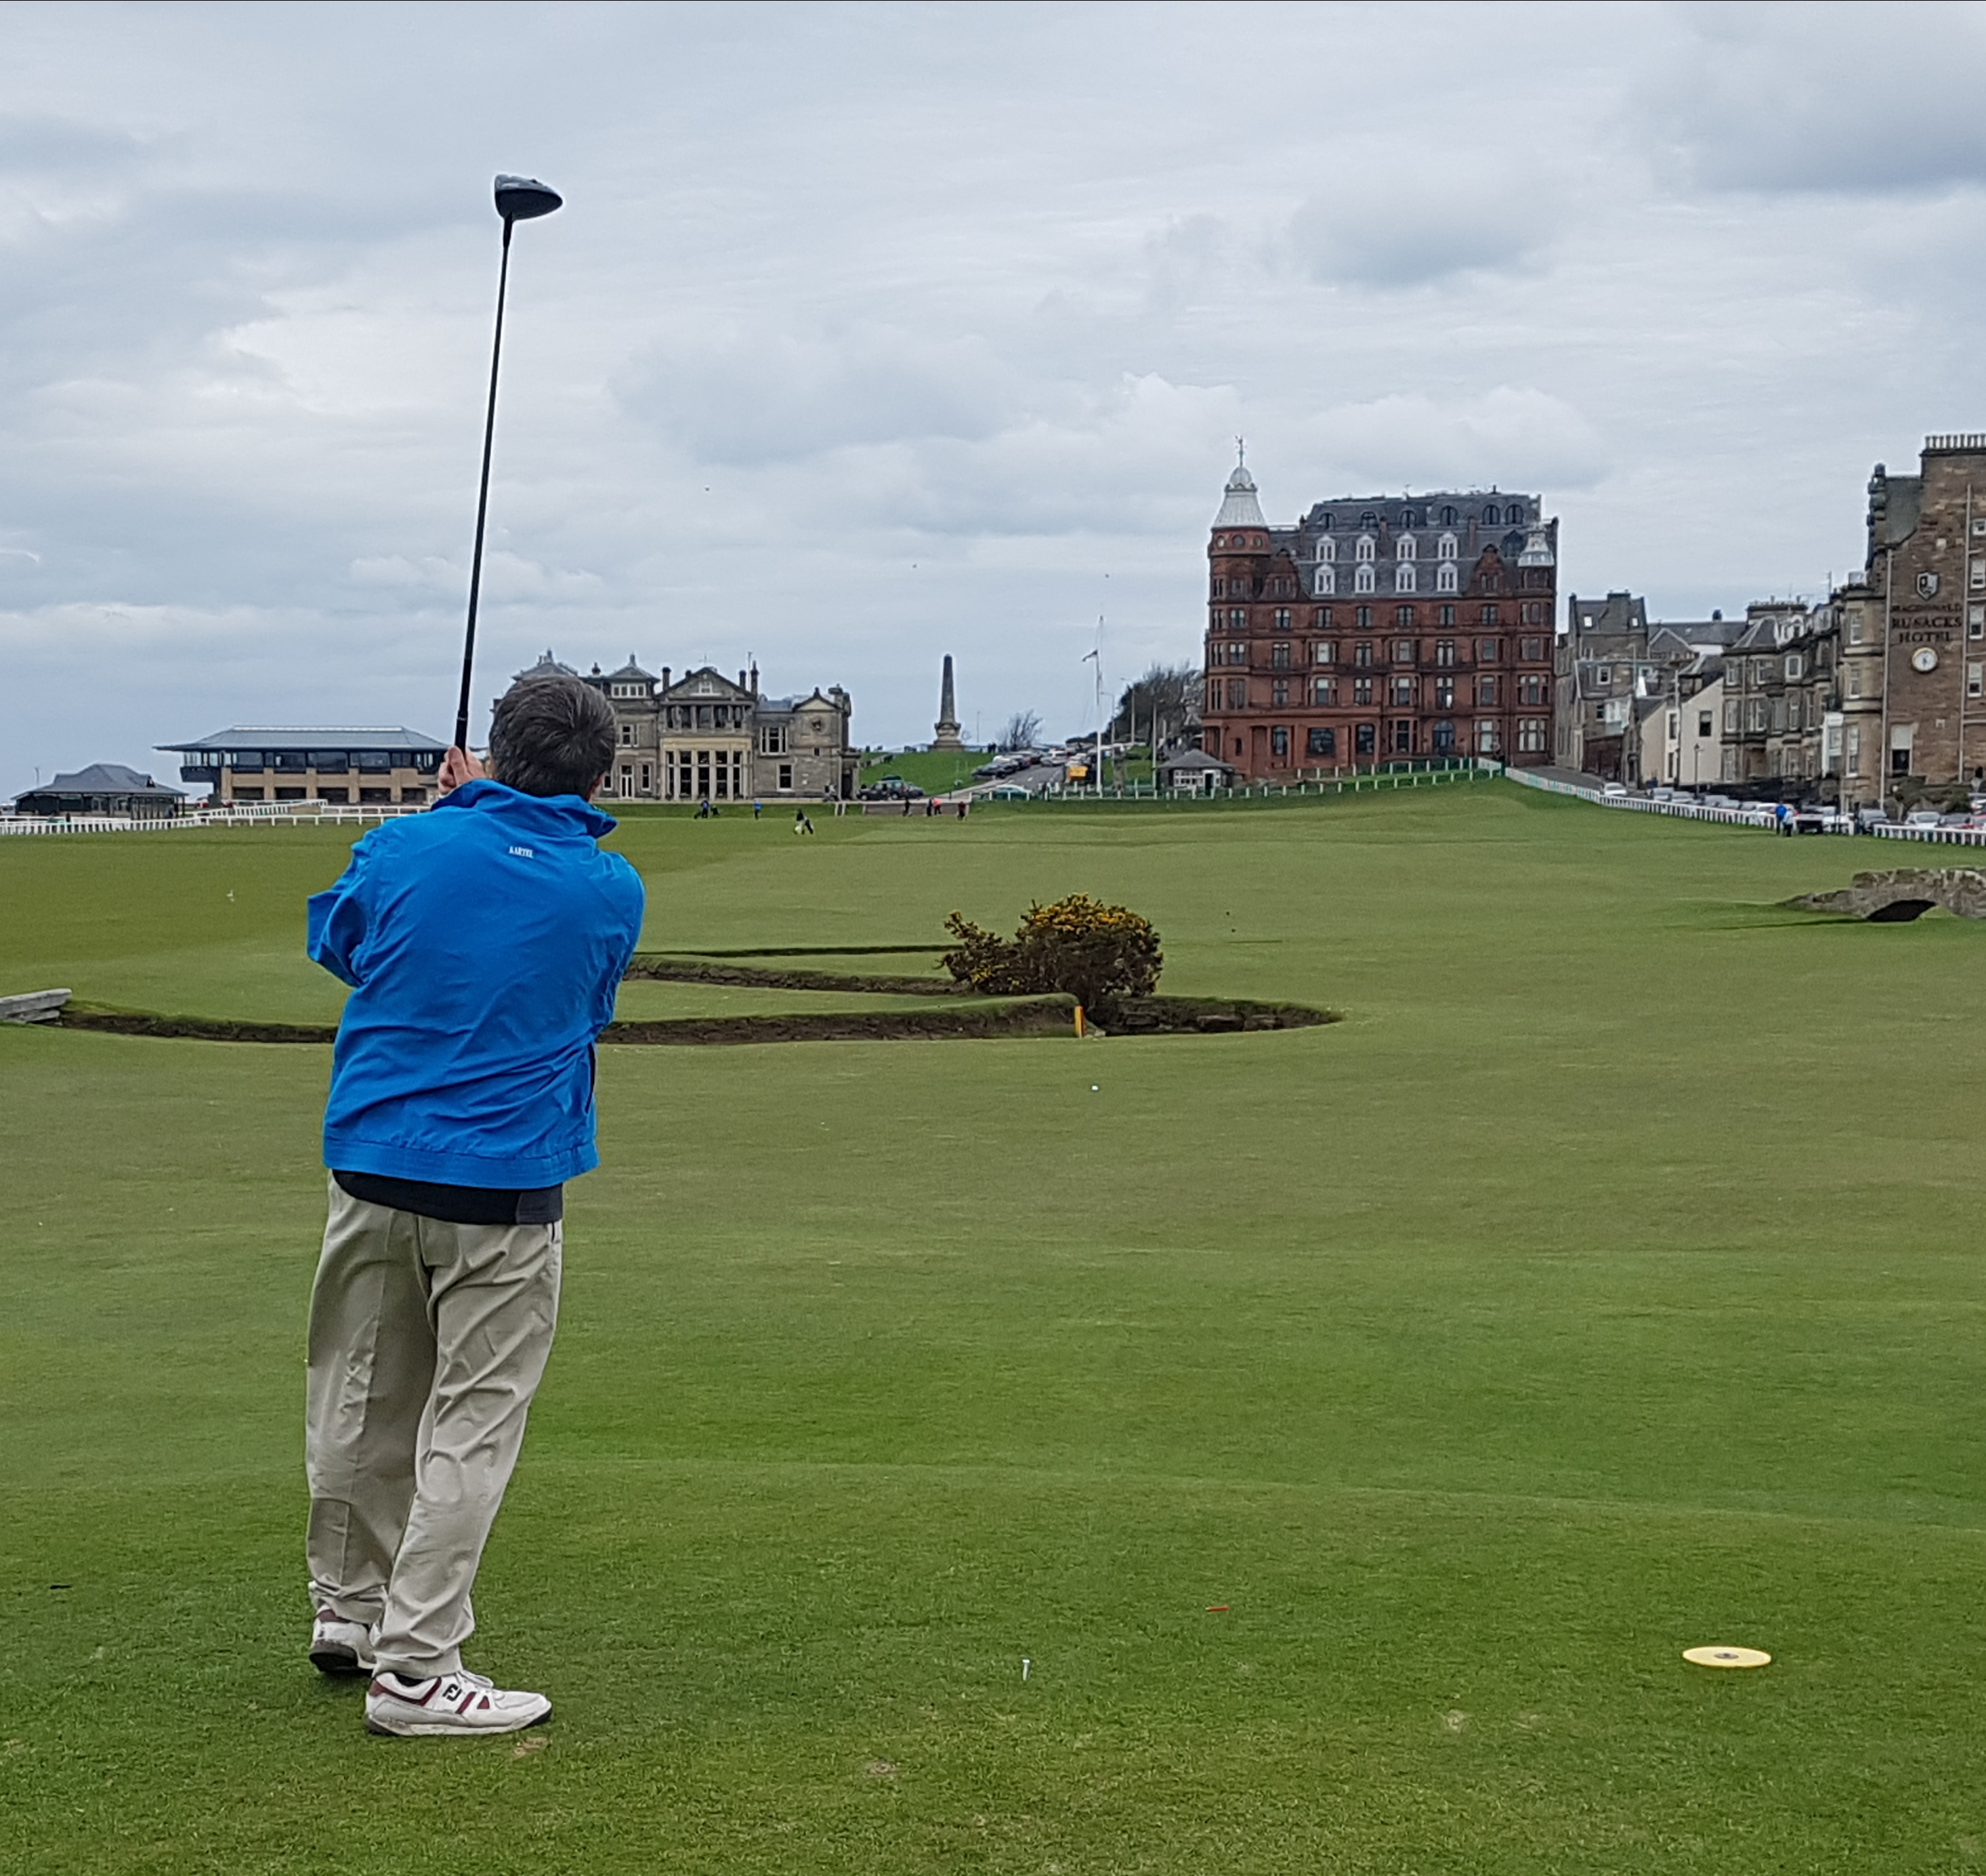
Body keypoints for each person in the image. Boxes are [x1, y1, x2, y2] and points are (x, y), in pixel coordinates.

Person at [301, 673, 644, 1739]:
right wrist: (474, 818)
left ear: (494, 753)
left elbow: (343, 945)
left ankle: (350, 1608)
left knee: (362, 1397)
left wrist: (451, 816)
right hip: (504, 1186)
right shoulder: (608, 886)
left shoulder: (403, 846)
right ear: (599, 776)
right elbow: (589, 1005)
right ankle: (415, 1665)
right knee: (471, 1421)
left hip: (374, 1166)